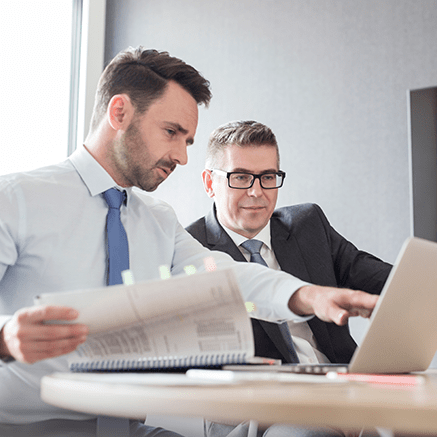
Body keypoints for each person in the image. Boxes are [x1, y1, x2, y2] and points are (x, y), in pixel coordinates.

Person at [0, 47, 377, 437]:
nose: (181, 156)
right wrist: (5, 336)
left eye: (188, 141)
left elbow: (224, 276)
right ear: (119, 113)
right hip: (29, 426)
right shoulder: (16, 198)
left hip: (127, 428)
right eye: (171, 133)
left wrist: (309, 296)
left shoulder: (158, 220)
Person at [186, 120, 392, 437]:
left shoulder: (307, 224)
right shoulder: (190, 250)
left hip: (347, 392)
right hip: (261, 413)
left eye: (268, 177)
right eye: (240, 177)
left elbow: (377, 278)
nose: (257, 191)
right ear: (209, 182)